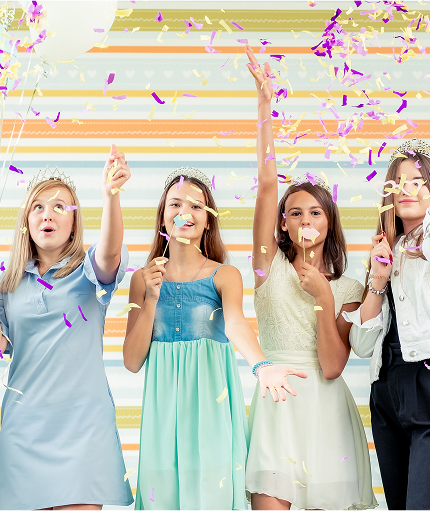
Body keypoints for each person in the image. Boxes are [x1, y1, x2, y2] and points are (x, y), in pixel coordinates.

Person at [124, 166, 307, 510]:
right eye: (175, 204)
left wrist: (262, 366)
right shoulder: (141, 279)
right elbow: (132, 361)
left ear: (208, 220)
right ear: (163, 218)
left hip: (212, 413)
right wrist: (150, 297)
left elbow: (236, 323)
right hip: (161, 421)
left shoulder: (225, 275)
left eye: (196, 206)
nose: (185, 213)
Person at [244, 45, 377, 510]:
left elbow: (335, 364)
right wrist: (265, 106)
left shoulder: (349, 287)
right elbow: (266, 186)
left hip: (327, 415)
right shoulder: (267, 266)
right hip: (277, 409)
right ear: (282, 223)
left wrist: (322, 294)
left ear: (328, 223)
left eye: (315, 212)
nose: (304, 219)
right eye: (294, 212)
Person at [0, 148, 134, 510]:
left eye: (60, 207)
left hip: (83, 430)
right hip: (23, 432)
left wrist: (111, 195)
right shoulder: (9, 285)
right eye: (38, 207)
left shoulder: (89, 272)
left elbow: (109, 254)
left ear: (74, 222)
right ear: (26, 221)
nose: (48, 214)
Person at [343, 139, 430, 510]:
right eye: (397, 181)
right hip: (386, 388)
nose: (406, 189)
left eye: (418, 180)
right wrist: (377, 280)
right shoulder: (386, 248)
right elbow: (364, 345)